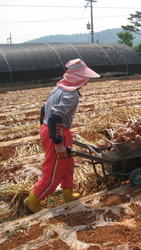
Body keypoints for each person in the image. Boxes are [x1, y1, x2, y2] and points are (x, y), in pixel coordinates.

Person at [24, 58, 100, 213]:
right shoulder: (71, 95)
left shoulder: (58, 88)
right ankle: (32, 200)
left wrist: (45, 129)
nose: (87, 81)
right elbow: (55, 117)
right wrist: (57, 141)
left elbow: (44, 109)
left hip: (50, 129)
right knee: (53, 171)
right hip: (57, 132)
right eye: (85, 78)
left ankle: (68, 194)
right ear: (79, 78)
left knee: (67, 164)